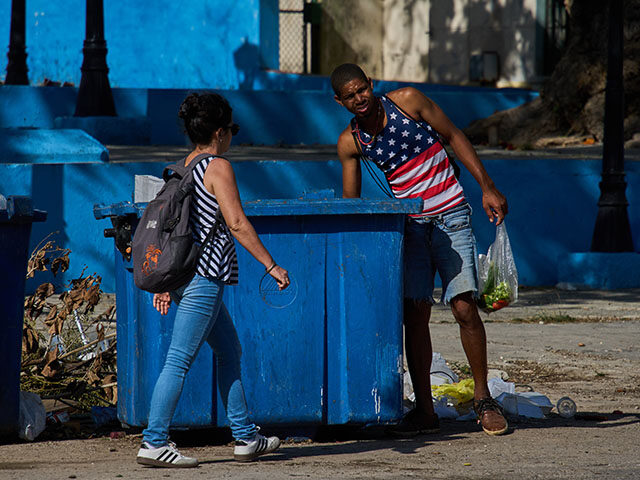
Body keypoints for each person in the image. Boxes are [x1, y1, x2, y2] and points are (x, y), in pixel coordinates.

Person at [330, 63, 509, 436]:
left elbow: (454, 136)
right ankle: (425, 411)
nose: (359, 99)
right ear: (339, 101)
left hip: (452, 216)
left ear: (371, 85)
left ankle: (483, 400)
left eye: (362, 90)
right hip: (410, 228)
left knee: (463, 307)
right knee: (415, 316)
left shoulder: (408, 101)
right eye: (350, 96)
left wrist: (487, 187)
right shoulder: (351, 143)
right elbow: (352, 202)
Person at [136, 92, 290, 467]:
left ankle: (245, 437)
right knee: (178, 361)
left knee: (229, 352)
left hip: (184, 274)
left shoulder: (181, 167)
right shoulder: (217, 167)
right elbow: (236, 222)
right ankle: (154, 442)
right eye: (232, 130)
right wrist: (270, 265)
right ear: (220, 132)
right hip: (204, 276)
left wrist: (166, 284)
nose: (232, 137)